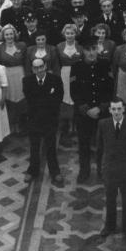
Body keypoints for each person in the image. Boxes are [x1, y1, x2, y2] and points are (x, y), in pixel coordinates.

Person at [97, 98, 126, 239]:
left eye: (119, 109)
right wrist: (102, 167)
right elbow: (100, 146)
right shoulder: (103, 124)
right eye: (114, 109)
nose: (116, 112)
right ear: (110, 110)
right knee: (110, 198)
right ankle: (109, 226)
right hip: (109, 168)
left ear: (124, 109)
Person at [71, 42, 114, 181]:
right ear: (83, 50)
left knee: (103, 143)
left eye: (93, 49)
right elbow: (74, 92)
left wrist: (100, 108)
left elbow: (110, 89)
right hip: (84, 113)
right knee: (84, 143)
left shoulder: (105, 64)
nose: (91, 53)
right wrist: (86, 109)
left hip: (102, 112)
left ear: (97, 49)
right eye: (88, 49)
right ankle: (84, 171)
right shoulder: (76, 66)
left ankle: (102, 170)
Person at [23, 57, 64, 185]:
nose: (39, 70)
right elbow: (31, 100)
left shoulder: (55, 80)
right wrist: (46, 98)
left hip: (50, 119)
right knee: (34, 147)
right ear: (32, 69)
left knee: (51, 147)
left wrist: (48, 109)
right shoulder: (27, 81)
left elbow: (58, 99)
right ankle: (32, 170)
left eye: (41, 66)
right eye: (36, 68)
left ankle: (55, 171)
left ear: (45, 66)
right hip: (34, 119)